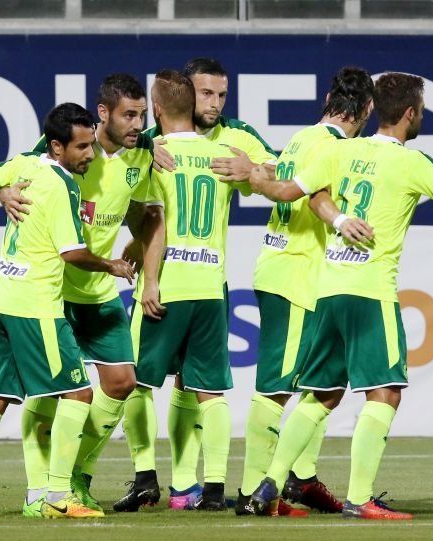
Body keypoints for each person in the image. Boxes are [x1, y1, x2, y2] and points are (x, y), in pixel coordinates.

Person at [246, 72, 433, 520]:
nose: (420, 117)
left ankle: (270, 482)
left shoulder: (340, 150)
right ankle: (360, 498)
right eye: (420, 111)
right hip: (370, 292)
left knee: (322, 394)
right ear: (409, 114)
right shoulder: (413, 162)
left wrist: (258, 180)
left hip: (328, 289)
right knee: (385, 393)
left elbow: (296, 193)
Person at [0, 74, 165, 516]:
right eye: (129, 115)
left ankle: (76, 476)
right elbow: (17, 176)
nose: (138, 124)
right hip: (57, 291)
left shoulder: (141, 154)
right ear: (103, 113)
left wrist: (143, 267)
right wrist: (4, 192)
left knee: (122, 382)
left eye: (142, 115)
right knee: (49, 395)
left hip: (100, 290)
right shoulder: (65, 145)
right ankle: (41, 490)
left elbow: (143, 216)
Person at [0, 102, 135, 520]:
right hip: (37, 306)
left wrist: (2, 190)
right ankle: (56, 495)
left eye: (91, 145)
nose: (89, 154)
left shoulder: (24, 164)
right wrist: (111, 265)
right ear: (57, 146)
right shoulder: (62, 185)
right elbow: (72, 252)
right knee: (79, 393)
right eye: (81, 147)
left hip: (1, 299)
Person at [117, 58, 278, 512]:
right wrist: (251, 172)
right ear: (190, 97)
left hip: (166, 284)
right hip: (210, 286)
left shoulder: (154, 152)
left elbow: (149, 218)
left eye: (222, 95)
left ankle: (145, 477)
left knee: (134, 383)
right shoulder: (220, 155)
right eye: (207, 94)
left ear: (156, 106)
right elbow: (284, 181)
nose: (216, 102)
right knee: (211, 391)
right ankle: (212, 489)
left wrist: (142, 266)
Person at [234, 66, 375, 517]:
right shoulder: (336, 148)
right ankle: (253, 491)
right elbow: (314, 196)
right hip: (297, 274)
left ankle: (300, 477)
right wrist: (341, 220)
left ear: (329, 100)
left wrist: (255, 173)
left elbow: (280, 181)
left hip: (284, 269)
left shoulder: (301, 137)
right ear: (368, 108)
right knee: (275, 389)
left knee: (318, 383)